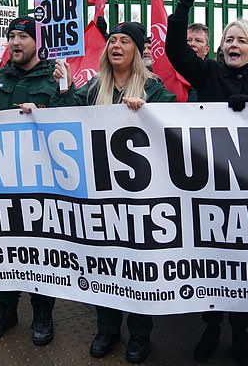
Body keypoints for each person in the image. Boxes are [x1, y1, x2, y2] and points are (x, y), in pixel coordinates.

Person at [165, 0, 248, 366]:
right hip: (208, 188)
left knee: (243, 262)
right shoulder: (209, 75)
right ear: (221, 46)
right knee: (210, 260)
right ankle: (211, 325)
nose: (233, 45)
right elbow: (176, 51)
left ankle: (240, 329)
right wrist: (182, 5)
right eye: (229, 39)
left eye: (242, 41)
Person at [54, 21, 175, 363]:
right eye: (112, 41)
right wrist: (58, 93)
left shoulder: (154, 88)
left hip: (139, 197)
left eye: (125, 41)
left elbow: (175, 125)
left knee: (138, 265)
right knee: (104, 262)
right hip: (100, 193)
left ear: (137, 50)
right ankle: (106, 328)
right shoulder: (94, 88)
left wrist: (149, 111)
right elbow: (65, 115)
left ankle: (139, 334)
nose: (116, 46)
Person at [0, 16, 73, 346]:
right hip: (1, 185)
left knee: (41, 253)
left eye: (23, 36)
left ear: (38, 42)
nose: (15, 42)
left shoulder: (55, 77)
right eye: (11, 36)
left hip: (42, 187)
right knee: (3, 251)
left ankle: (43, 313)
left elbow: (75, 120)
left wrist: (60, 95)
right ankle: (5, 312)